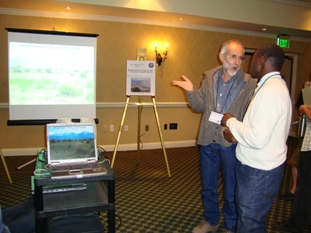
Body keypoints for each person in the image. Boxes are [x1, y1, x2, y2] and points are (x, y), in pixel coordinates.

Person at [172, 39, 257, 233]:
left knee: (230, 189)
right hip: (208, 139)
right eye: (232, 56)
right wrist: (191, 91)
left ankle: (230, 225)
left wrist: (239, 131)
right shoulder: (209, 78)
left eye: (240, 58)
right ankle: (211, 220)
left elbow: (250, 113)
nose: (236, 62)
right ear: (221, 56)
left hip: (230, 142)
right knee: (208, 186)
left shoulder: (249, 83)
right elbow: (200, 106)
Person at [221, 43, 292, 232]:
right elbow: (260, 131)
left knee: (250, 223)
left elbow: (257, 138)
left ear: (262, 60)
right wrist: (238, 135)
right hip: (259, 167)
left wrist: (231, 122)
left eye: (252, 60)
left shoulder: (270, 91)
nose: (249, 64)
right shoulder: (271, 87)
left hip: (258, 172)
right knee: (248, 219)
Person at [272, 94, 311, 232]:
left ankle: (296, 224)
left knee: (304, 187)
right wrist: (307, 91)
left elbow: (305, 110)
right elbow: (300, 102)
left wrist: (305, 109)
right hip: (307, 143)